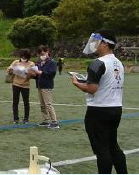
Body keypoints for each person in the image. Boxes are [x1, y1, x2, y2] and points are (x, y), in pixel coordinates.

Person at [71, 30, 128, 174]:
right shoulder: (119, 63)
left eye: (97, 42)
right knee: (113, 146)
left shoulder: (98, 63)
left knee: (102, 150)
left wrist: (77, 83)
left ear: (104, 44)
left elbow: (91, 88)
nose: (94, 45)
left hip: (98, 110)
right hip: (116, 108)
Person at [31, 45, 59, 129]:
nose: (41, 55)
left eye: (43, 53)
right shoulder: (38, 62)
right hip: (39, 85)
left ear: (47, 52)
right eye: (40, 54)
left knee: (48, 104)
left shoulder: (52, 62)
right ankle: (45, 120)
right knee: (42, 105)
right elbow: (37, 75)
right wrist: (32, 74)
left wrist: (41, 72)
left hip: (47, 85)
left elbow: (52, 74)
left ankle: (54, 122)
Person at [7, 50, 36, 124]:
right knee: (15, 102)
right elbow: (8, 70)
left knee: (26, 102)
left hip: (25, 85)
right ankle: (15, 118)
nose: (23, 58)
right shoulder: (16, 62)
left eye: (25, 56)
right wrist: (10, 70)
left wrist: (28, 73)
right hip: (16, 84)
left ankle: (26, 118)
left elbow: (34, 74)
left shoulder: (31, 63)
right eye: (22, 56)